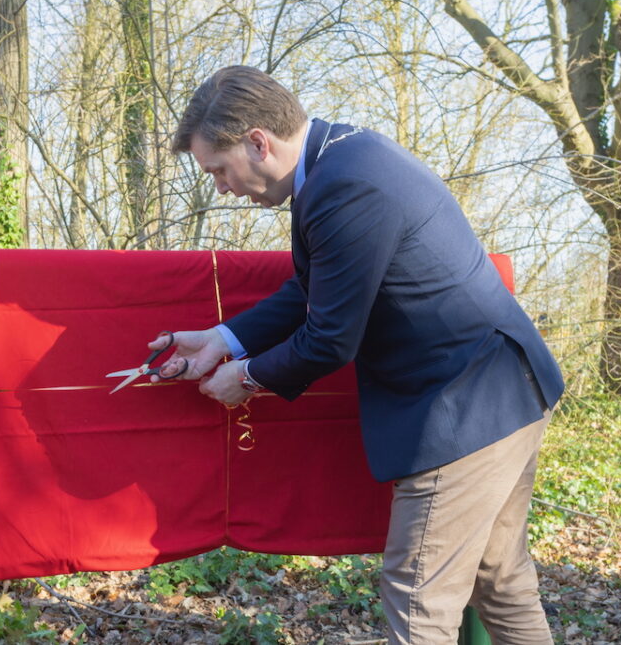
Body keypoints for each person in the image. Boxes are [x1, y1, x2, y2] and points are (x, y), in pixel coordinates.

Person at [152, 66, 564, 644]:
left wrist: (243, 377)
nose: (221, 187)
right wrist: (222, 340)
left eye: (219, 170)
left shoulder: (345, 186)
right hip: (504, 390)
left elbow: (329, 338)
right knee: (500, 581)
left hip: (463, 406)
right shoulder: (344, 157)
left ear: (257, 142)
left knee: (418, 599)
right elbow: (315, 285)